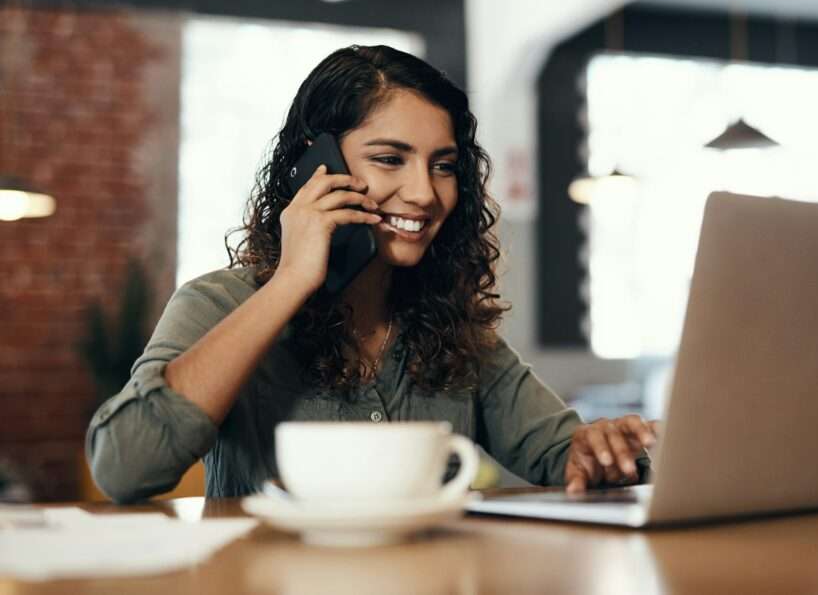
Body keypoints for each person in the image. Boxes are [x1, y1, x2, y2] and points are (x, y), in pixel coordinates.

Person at [86, 45, 658, 503]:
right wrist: (290, 282)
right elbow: (125, 468)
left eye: (443, 166)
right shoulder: (218, 303)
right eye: (390, 159)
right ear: (316, 166)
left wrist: (599, 450)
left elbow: (559, 452)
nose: (424, 193)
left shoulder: (453, 329)